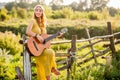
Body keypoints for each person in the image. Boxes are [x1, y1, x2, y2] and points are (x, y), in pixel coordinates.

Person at [26, 5, 61, 80]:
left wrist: (56, 35)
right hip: (35, 48)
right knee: (50, 53)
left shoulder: (43, 24)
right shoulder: (33, 21)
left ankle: (50, 72)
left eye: (40, 10)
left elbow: (45, 36)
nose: (38, 12)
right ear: (34, 11)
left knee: (50, 53)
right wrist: (36, 35)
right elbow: (28, 31)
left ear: (42, 12)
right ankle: (52, 70)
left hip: (41, 48)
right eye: (37, 10)